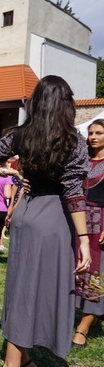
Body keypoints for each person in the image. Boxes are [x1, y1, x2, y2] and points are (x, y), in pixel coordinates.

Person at [0, 75, 89, 367]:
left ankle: (23, 356)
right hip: (52, 219)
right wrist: (84, 238)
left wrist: (12, 174)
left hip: (27, 215)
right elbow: (73, 193)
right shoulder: (72, 142)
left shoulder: (21, 135)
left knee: (25, 287)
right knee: (32, 292)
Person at [73, 119, 104, 348]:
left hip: (101, 222)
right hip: (78, 220)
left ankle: (85, 324)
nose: (93, 137)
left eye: (99, 133)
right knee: (75, 268)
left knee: (97, 272)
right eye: (91, 133)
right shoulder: (82, 161)